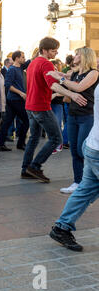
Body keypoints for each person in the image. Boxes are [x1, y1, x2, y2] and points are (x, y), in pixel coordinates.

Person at [21, 37, 87, 182]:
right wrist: (72, 94)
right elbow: (53, 85)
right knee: (57, 138)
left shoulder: (33, 63)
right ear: (44, 50)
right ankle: (35, 166)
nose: (56, 52)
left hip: (30, 106)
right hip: (41, 107)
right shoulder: (46, 64)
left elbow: (51, 80)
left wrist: (64, 77)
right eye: (53, 50)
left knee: (33, 138)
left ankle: (25, 169)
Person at [49, 78, 99, 252]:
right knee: (84, 190)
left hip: (93, 145)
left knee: (85, 190)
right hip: (97, 149)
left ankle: (61, 227)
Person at [48, 47, 99, 194]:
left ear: (84, 57)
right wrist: (58, 77)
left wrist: (61, 79)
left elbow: (79, 87)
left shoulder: (94, 73)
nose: (74, 56)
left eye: (77, 54)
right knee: (74, 151)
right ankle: (78, 182)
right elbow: (65, 80)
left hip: (87, 116)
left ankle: (89, 180)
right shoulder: (75, 73)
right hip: (72, 115)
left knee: (83, 150)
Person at [0, 51, 30, 152]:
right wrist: (20, 93)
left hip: (15, 100)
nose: (24, 59)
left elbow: (30, 61)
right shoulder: (12, 69)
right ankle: (20, 144)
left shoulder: (20, 67)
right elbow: (8, 85)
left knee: (7, 122)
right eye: (22, 57)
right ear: (17, 58)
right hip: (15, 100)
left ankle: (1, 144)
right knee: (26, 121)